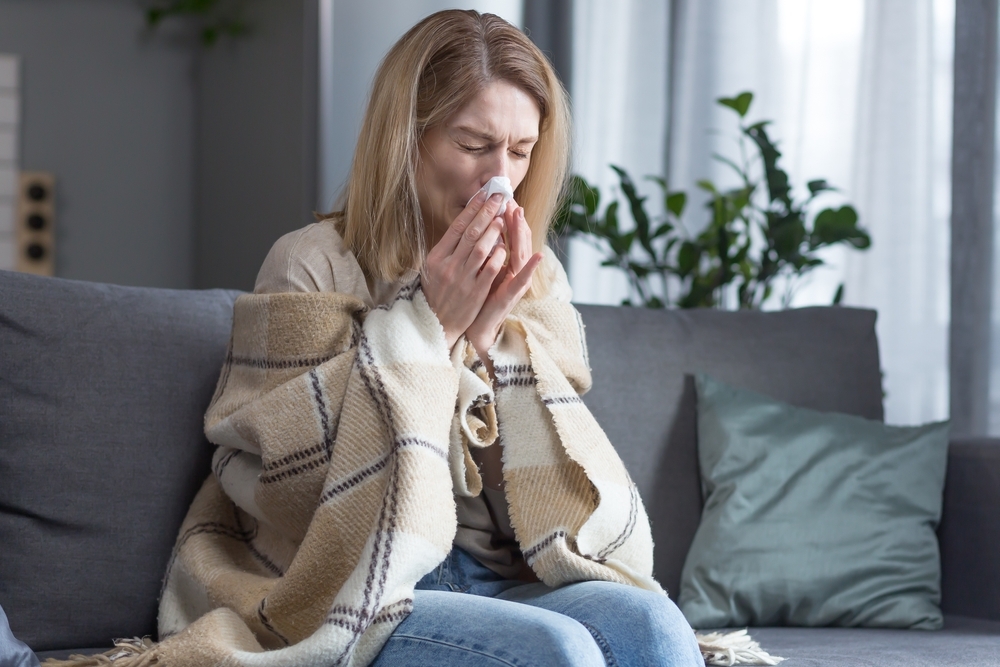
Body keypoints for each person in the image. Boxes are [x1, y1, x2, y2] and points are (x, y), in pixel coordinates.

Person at [69, 9, 705, 667]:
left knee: (654, 626)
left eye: (520, 151)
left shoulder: (535, 275)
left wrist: (485, 346)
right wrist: (431, 332)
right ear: (407, 137)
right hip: (356, 583)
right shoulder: (311, 265)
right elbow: (300, 494)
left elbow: (537, 511)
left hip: (494, 576)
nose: (500, 179)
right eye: (472, 142)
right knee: (556, 649)